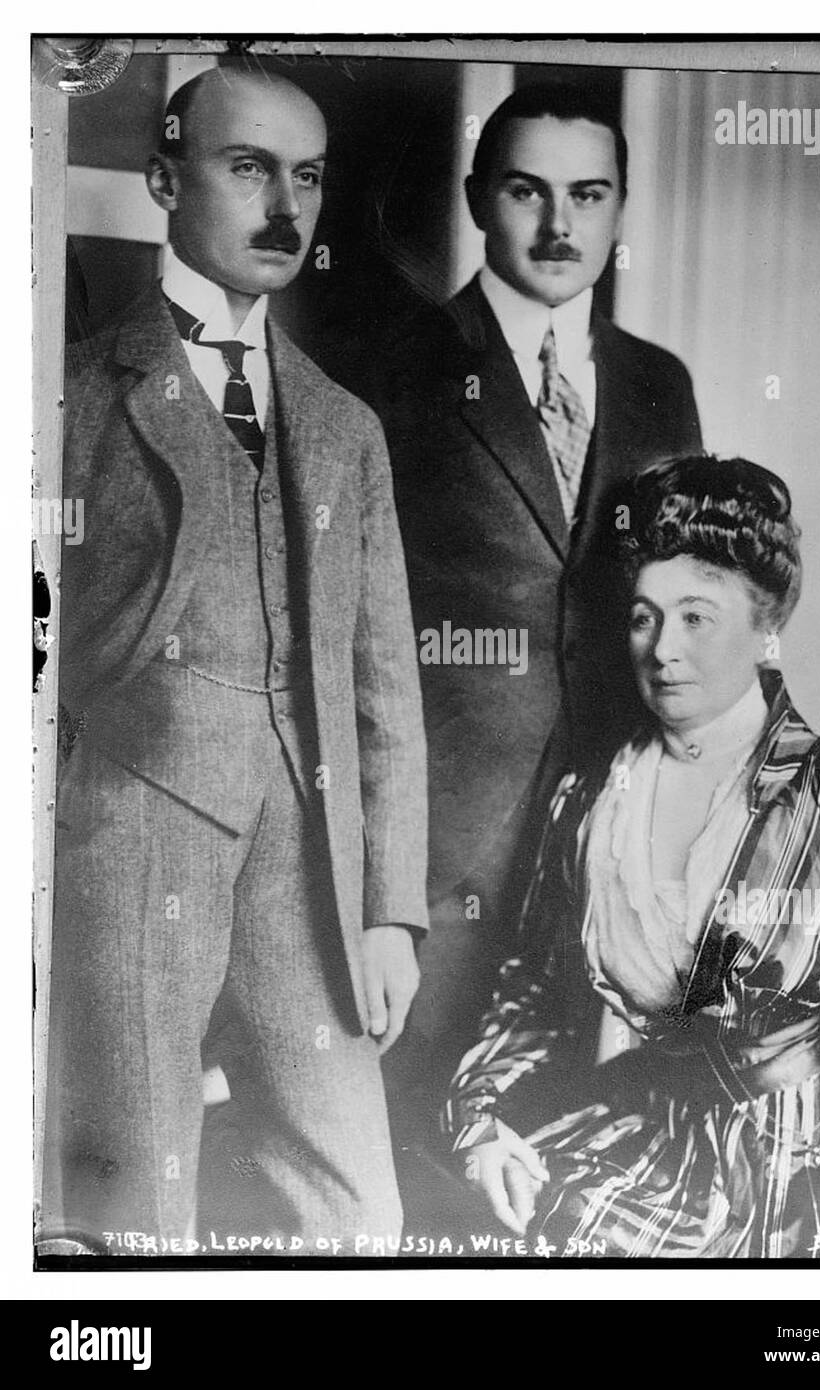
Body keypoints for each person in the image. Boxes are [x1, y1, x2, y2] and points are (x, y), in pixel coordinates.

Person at [44, 66, 428, 1252]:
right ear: (165, 178)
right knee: (130, 1217)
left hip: (306, 868)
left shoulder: (341, 425)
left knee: (357, 1211)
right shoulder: (66, 400)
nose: (284, 207)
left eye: (305, 176)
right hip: (128, 843)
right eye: (247, 167)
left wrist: (390, 914)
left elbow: (383, 690)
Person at [446, 456, 820, 1259]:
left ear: (764, 632)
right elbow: (533, 994)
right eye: (643, 617)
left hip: (789, 1188)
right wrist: (483, 1126)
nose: (661, 650)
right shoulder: (589, 798)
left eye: (696, 617)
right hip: (626, 1141)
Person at [366, 83, 703, 1087]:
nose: (561, 226)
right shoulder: (389, 370)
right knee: (425, 1137)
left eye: (589, 196)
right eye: (527, 191)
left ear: (617, 208)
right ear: (477, 199)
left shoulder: (659, 383)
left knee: (574, 1143)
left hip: (613, 841)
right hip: (442, 853)